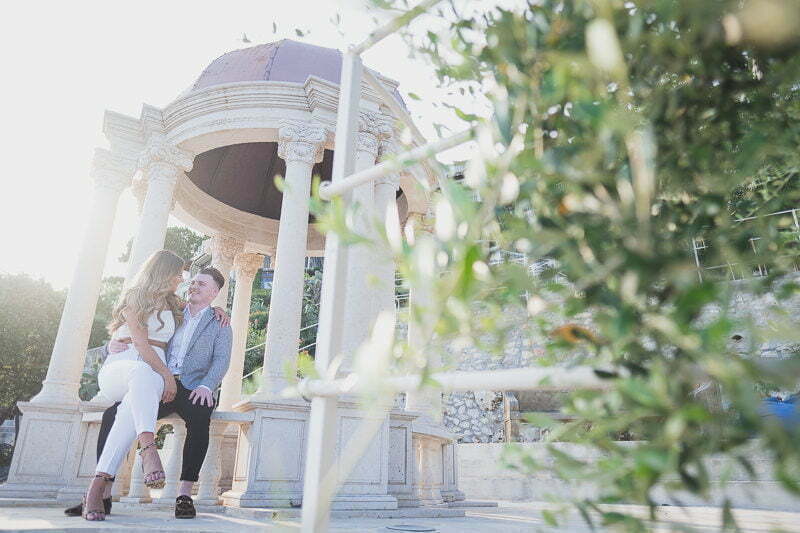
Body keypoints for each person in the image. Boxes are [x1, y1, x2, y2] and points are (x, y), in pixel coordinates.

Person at [72, 259, 232, 521]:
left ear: (214, 293)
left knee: (201, 416)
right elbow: (133, 332)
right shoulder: (175, 309)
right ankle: (105, 487)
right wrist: (109, 346)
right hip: (158, 379)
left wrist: (207, 385)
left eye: (201, 284)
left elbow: (221, 360)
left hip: (192, 386)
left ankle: (183, 495)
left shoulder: (219, 322)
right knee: (115, 413)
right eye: (192, 282)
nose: (192, 286)